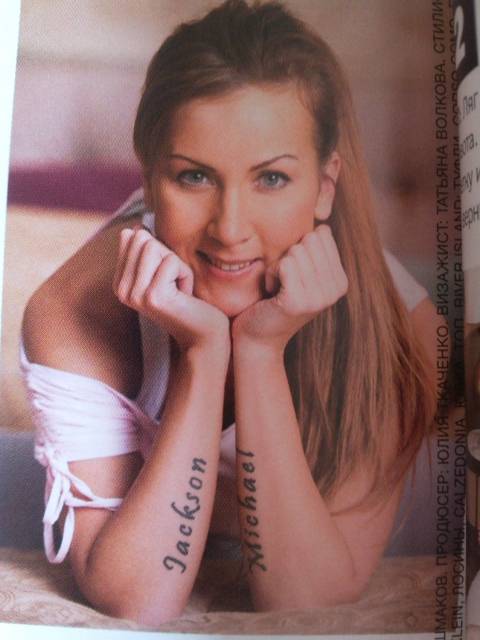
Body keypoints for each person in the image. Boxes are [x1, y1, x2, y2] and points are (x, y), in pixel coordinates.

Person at [22, 0, 438, 626]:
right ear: (149, 178)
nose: (230, 228)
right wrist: (203, 355)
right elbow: (137, 600)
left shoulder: (400, 326)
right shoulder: (72, 311)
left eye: (271, 179)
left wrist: (261, 352)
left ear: (324, 188)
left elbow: (304, 603)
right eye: (194, 177)